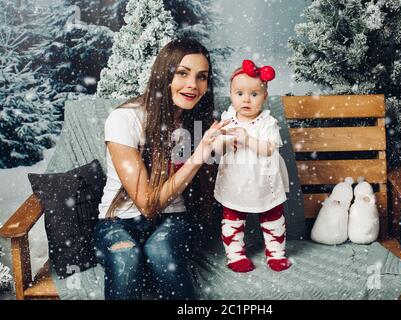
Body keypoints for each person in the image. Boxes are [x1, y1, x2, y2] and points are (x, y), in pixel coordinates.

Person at [94, 38, 230, 300]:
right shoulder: (124, 119)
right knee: (125, 255)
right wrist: (199, 154)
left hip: (175, 219)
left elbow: (212, 192)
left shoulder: (201, 124)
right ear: (164, 75)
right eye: (182, 73)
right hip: (117, 220)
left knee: (160, 250)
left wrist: (232, 147)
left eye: (202, 77)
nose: (193, 84)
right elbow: (146, 204)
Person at [213, 60, 291, 273]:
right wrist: (225, 141)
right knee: (232, 217)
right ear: (230, 94)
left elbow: (268, 149)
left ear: (265, 97)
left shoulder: (267, 122)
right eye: (239, 93)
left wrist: (247, 139)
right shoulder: (227, 119)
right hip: (235, 180)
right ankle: (235, 254)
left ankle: (276, 253)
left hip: (264, 179)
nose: (246, 99)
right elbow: (217, 149)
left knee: (272, 215)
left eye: (254, 94)